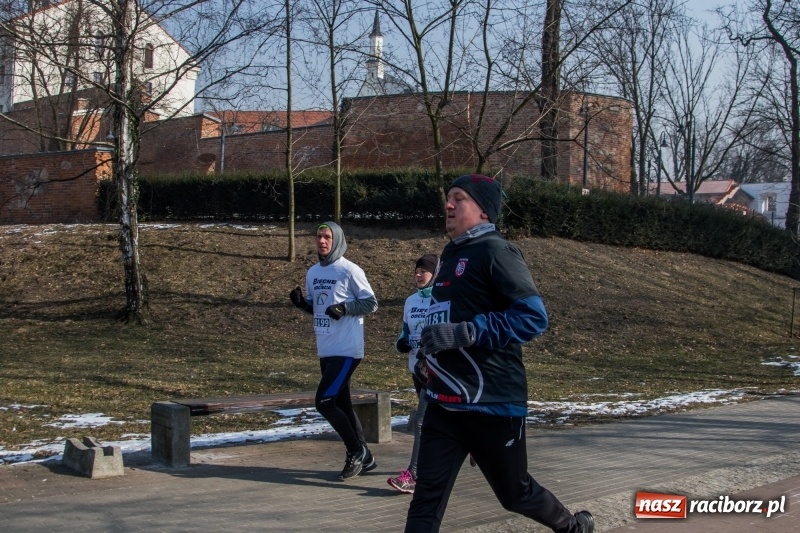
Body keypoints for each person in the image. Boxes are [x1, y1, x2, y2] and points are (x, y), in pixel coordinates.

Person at [405, 174, 594, 533]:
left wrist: (469, 332)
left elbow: (533, 317)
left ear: (484, 211)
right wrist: (429, 360)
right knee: (426, 498)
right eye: (448, 198)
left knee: (515, 494)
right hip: (445, 403)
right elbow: (445, 319)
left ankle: (572, 527)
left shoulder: (496, 251)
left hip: (492, 402)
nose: (448, 205)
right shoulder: (450, 254)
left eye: (458, 198)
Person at [289, 221, 379, 481]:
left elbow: (371, 303)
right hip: (326, 348)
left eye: (327, 236)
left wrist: (345, 308)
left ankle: (355, 452)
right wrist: (302, 305)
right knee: (342, 403)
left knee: (325, 402)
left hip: (347, 349)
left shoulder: (350, 270)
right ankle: (368, 458)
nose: (322, 241)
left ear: (337, 240)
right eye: (319, 236)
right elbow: (321, 310)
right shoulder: (313, 273)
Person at [387, 253, 438, 494]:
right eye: (416, 271)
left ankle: (414, 475)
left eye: (423, 271)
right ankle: (472, 444)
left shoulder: (441, 300)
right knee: (439, 421)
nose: (418, 275)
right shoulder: (410, 301)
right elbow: (404, 331)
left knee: (421, 421)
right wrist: (402, 343)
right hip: (415, 370)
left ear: (435, 273)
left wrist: (427, 355)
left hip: (435, 370)